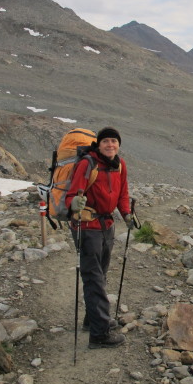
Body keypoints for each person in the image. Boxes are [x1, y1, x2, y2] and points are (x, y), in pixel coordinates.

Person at [66, 126, 132, 349]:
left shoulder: (119, 165)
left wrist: (126, 213)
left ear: (118, 144)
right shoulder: (88, 163)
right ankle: (99, 334)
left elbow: (123, 193)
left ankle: (93, 319)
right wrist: (73, 204)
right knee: (93, 277)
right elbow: (72, 194)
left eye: (114, 141)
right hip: (87, 226)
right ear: (99, 144)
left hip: (107, 225)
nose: (110, 145)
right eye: (106, 141)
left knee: (100, 275)